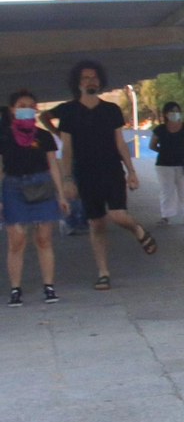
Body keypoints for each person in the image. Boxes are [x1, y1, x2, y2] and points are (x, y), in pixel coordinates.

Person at [44, 60, 156, 290]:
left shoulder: (111, 110)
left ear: (100, 81)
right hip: (85, 172)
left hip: (112, 169)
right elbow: (66, 149)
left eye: (94, 77)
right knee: (96, 223)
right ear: (78, 83)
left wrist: (131, 171)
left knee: (118, 215)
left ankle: (138, 230)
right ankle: (103, 272)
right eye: (86, 78)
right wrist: (66, 179)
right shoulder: (69, 111)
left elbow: (120, 142)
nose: (91, 81)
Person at [2, 91, 70, 306]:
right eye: (22, 105)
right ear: (12, 109)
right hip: (13, 187)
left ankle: (49, 286)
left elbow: (53, 167)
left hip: (42, 187)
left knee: (43, 238)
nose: (27, 109)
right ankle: (15, 288)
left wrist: (61, 195)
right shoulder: (3, 136)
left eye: (31, 105)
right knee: (16, 240)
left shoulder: (43, 136)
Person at [150, 101, 184, 226]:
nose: (175, 114)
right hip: (164, 164)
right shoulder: (160, 129)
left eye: (177, 111)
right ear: (166, 114)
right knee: (167, 190)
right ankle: (165, 216)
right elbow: (152, 145)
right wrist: (164, 151)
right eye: (172, 111)